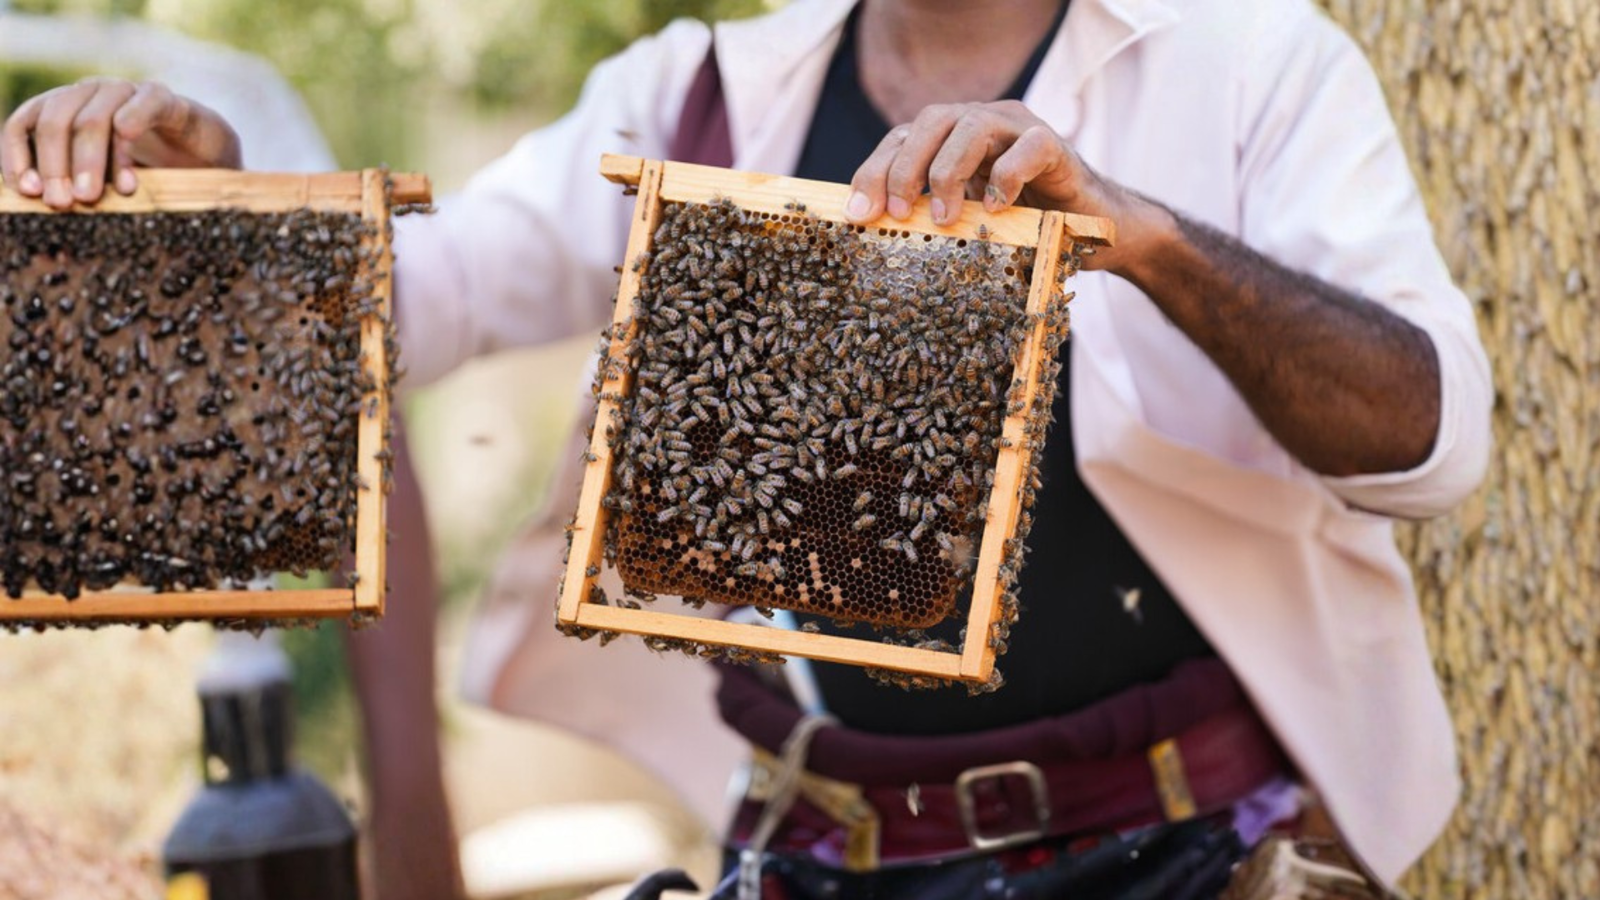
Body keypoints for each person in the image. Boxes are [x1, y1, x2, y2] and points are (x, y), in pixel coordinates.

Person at [2, 0, 1493, 896]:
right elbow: (414, 298)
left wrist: (1144, 239)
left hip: (1197, 858)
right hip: (828, 854)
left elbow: (1430, 441)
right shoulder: (708, 96)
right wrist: (214, 212)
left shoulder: (1250, 59)